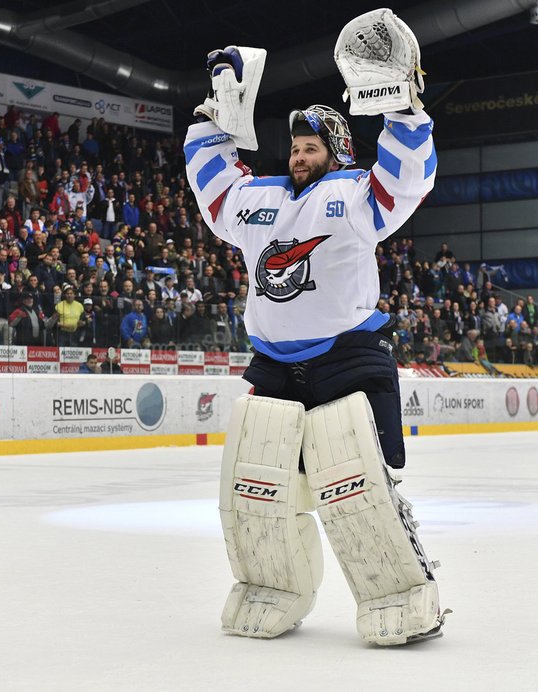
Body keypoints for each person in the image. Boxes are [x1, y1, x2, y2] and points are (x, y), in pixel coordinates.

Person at [185, 22, 443, 646]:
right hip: (271, 365)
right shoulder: (261, 199)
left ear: (336, 149)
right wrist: (214, 120)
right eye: (294, 148)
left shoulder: (355, 193)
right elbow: (211, 186)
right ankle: (273, 587)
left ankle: (404, 594)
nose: (299, 156)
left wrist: (404, 108)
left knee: (359, 493)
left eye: (311, 148)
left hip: (347, 362)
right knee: (257, 492)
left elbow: (408, 178)